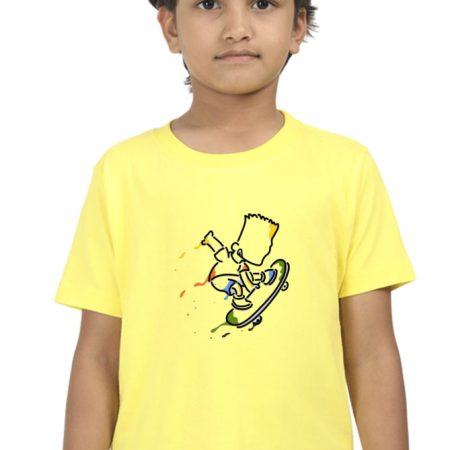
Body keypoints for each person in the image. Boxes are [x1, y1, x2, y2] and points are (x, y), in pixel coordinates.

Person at [54, 0, 416, 449]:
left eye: (262, 4)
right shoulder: (123, 173)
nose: (237, 28)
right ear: (171, 27)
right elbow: (98, 357)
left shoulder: (346, 169)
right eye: (209, 4)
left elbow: (372, 354)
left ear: (297, 26)